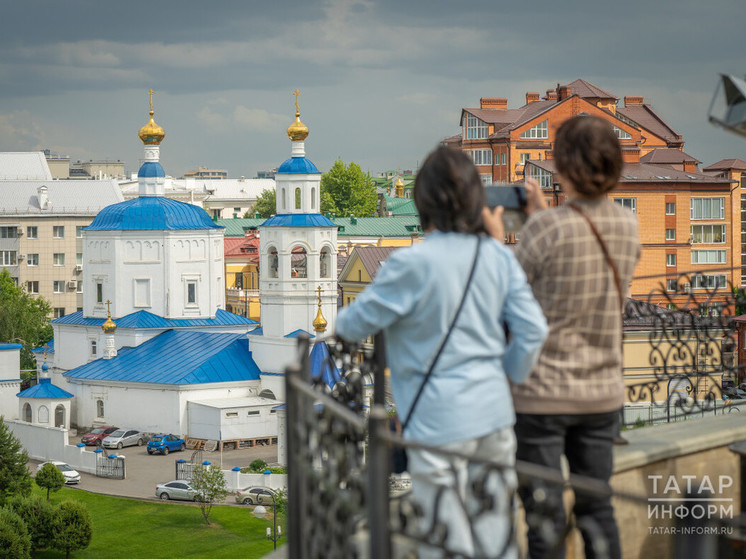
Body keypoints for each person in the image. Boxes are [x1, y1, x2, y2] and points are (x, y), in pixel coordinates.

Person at [336, 146, 548, 558]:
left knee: (447, 542)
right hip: (493, 416)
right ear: (476, 201)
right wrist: (508, 378)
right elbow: (533, 330)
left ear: (422, 202)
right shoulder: (497, 256)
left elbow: (348, 325)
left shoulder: (409, 264)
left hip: (436, 424)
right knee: (497, 537)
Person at [485, 115, 641, 559]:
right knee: (598, 508)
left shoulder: (545, 229)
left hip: (543, 396)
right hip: (602, 394)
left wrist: (500, 240)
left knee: (544, 516)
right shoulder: (629, 225)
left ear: (564, 168)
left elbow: (507, 292)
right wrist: (544, 217)